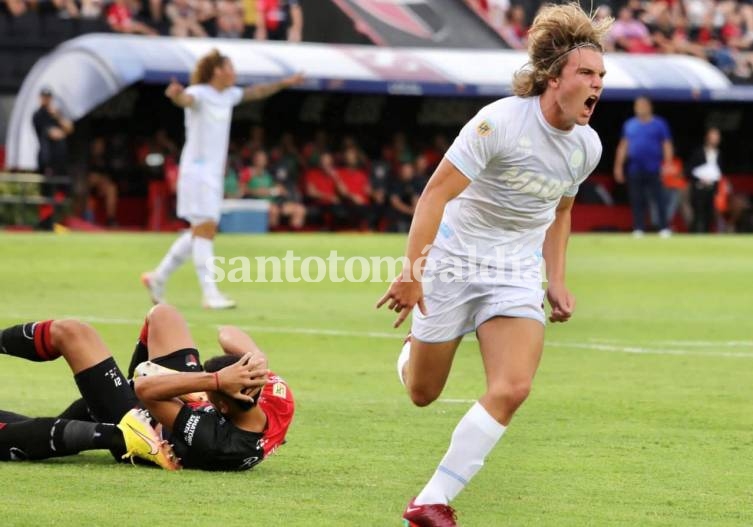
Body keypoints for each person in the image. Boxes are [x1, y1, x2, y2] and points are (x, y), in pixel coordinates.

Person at [375, 4, 612, 526]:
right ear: (554, 78)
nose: (598, 84)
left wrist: (556, 278)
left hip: (515, 273)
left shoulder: (587, 146)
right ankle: (414, 349)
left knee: (513, 387)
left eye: (601, 75)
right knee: (422, 393)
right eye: (586, 73)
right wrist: (413, 274)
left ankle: (430, 501)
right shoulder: (499, 122)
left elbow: (561, 213)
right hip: (453, 264)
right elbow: (434, 196)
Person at [0, 304, 295, 471]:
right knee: (164, 314)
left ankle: (106, 425)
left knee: (73, 333)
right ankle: (74, 417)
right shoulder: (274, 397)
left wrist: (213, 381)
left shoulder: (217, 441)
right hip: (186, 402)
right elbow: (227, 332)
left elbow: (145, 389)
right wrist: (257, 359)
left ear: (220, 405)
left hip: (145, 425)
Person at [141, 49, 303, 309]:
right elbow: (185, 100)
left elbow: (256, 92)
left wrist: (285, 83)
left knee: (199, 230)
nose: (234, 72)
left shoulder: (228, 95)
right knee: (206, 229)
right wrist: (176, 95)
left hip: (212, 173)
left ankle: (158, 277)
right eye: (230, 66)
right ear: (217, 70)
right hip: (197, 172)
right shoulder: (200, 93)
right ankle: (210, 294)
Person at [613, 95, 674, 237]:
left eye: (642, 105)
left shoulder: (659, 124)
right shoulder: (630, 124)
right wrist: (618, 167)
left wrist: (668, 164)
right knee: (636, 199)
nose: (639, 109)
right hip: (635, 168)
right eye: (637, 106)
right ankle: (639, 228)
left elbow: (666, 145)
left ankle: (664, 227)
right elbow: (623, 146)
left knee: (659, 199)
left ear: (649, 107)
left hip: (654, 168)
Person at [32, 87, 74, 230]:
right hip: (47, 160)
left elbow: (69, 129)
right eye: (44, 96)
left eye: (48, 97)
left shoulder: (56, 114)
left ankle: (56, 219)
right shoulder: (38, 115)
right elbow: (55, 133)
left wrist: (58, 118)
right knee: (47, 192)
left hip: (61, 160)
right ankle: (45, 222)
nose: (46, 99)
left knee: (63, 189)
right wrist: (61, 130)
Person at [687, 126, 723, 233]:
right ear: (707, 138)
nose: (715, 139)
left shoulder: (719, 154)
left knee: (709, 214)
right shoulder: (698, 152)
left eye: (717, 137)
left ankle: (706, 235)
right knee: (698, 214)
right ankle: (695, 235)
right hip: (698, 188)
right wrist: (700, 177)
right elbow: (688, 170)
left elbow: (719, 172)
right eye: (713, 136)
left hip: (711, 189)